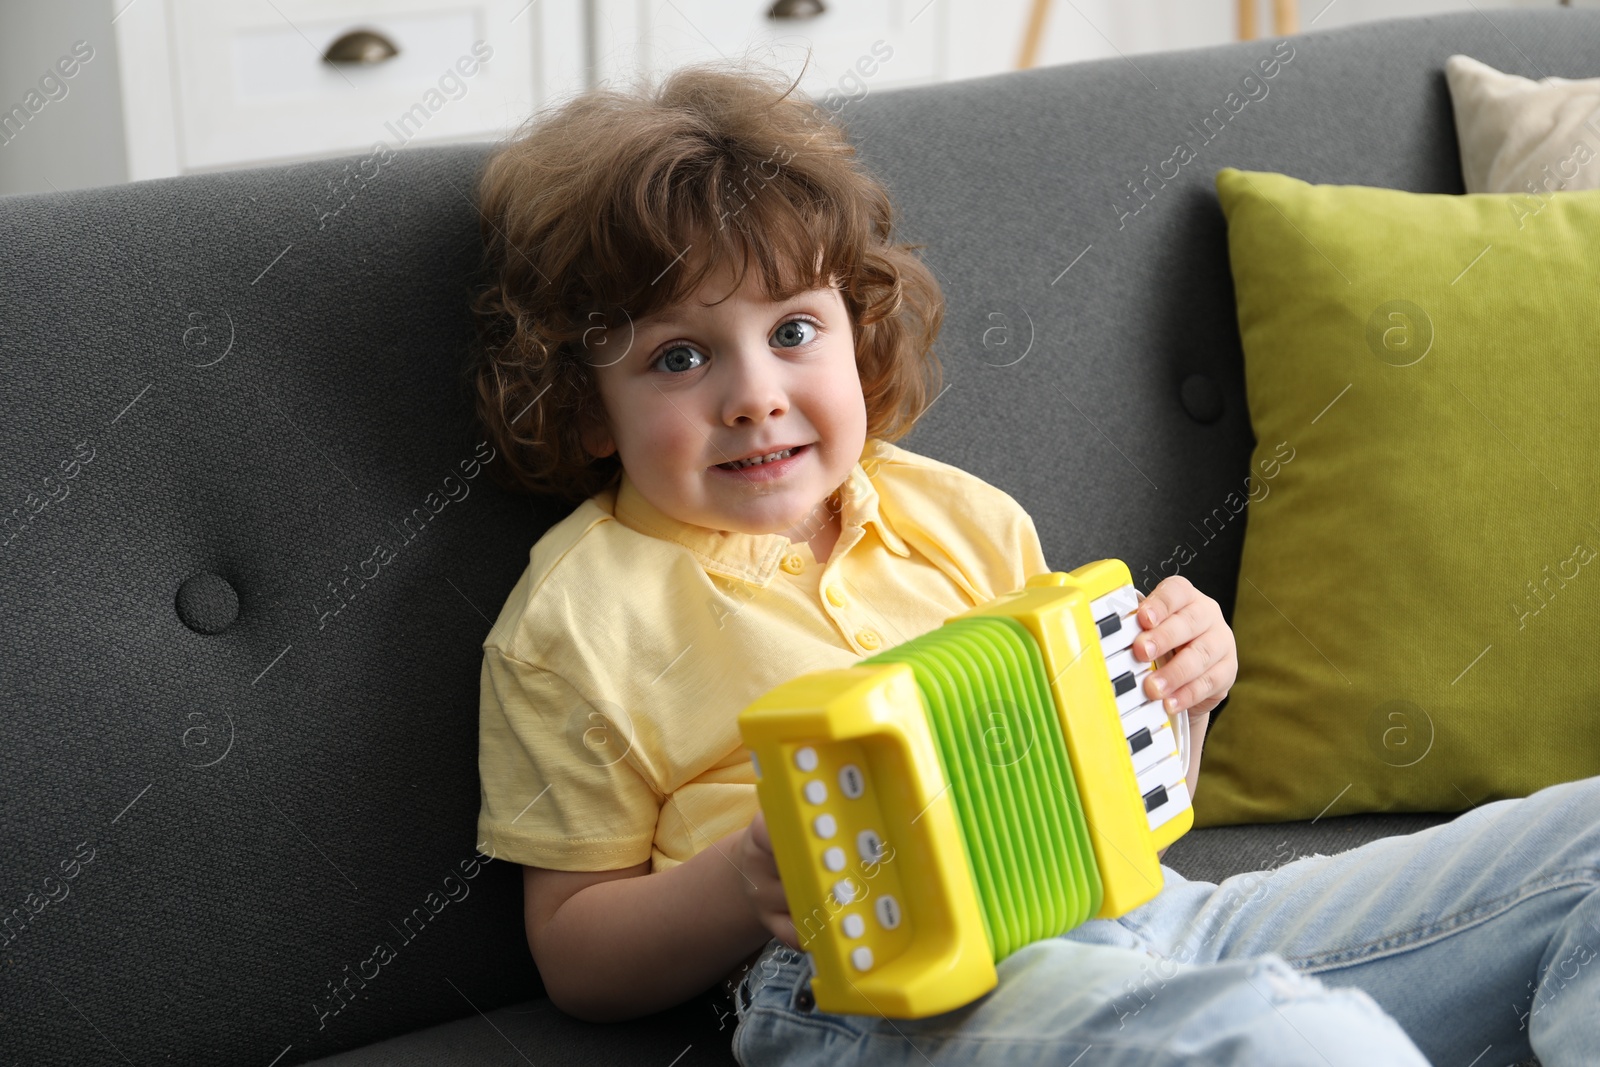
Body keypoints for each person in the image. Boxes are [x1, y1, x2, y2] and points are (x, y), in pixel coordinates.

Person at [467, 60, 1600, 1066]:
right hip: (874, 995)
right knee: (1277, 1036)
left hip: (1145, 913)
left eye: (794, 330)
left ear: (857, 334)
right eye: (678, 354)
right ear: (588, 409)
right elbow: (574, 950)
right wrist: (745, 882)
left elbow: (1122, 799)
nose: (755, 390)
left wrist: (1177, 698)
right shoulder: (574, 616)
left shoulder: (957, 511)